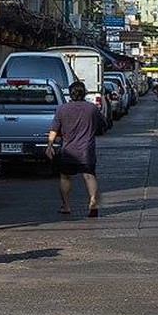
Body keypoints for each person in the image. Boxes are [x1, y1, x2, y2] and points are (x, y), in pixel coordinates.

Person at [46, 80, 108, 218]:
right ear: (84, 93)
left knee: (65, 176)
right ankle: (92, 201)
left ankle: (66, 205)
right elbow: (103, 124)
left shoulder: (62, 109)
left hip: (68, 151)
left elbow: (54, 130)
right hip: (87, 151)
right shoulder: (92, 108)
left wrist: (49, 145)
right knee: (89, 175)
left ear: (71, 94)